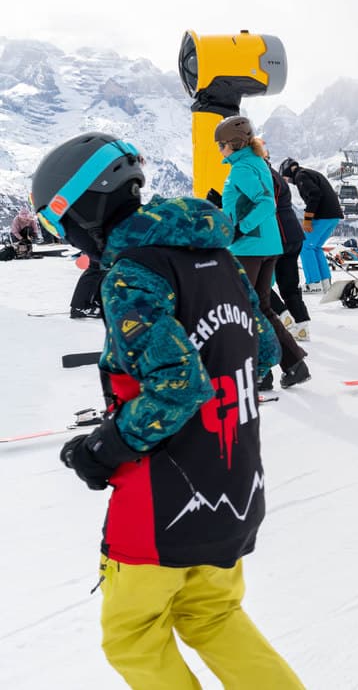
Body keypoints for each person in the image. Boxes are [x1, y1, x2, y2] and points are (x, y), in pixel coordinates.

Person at [30, 132, 304, 690]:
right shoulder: (218, 255)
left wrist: (103, 448)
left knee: (133, 638)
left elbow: (178, 386)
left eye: (63, 225)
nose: (69, 239)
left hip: (163, 501)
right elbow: (265, 349)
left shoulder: (131, 272)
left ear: (85, 208)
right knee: (213, 616)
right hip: (233, 487)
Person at [216, 117, 310, 388]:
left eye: (221, 144)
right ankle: (293, 364)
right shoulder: (257, 162)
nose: (219, 149)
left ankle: (261, 371)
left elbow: (266, 203)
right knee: (260, 308)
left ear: (234, 144)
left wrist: (240, 229)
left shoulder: (241, 168)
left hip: (250, 247)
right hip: (266, 245)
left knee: (243, 310)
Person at [278, 156, 342, 291]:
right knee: (315, 247)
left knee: (306, 247)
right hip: (333, 215)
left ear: (288, 171)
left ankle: (314, 283)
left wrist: (307, 219)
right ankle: (325, 282)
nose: (288, 181)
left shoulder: (301, 176)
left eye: (285, 177)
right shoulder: (308, 173)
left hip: (324, 215)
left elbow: (315, 195)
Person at [267, 156, 310, 348]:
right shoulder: (277, 176)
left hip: (279, 235)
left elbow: (266, 205)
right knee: (290, 284)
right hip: (294, 234)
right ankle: (301, 324)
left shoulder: (261, 174)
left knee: (259, 282)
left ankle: (282, 315)